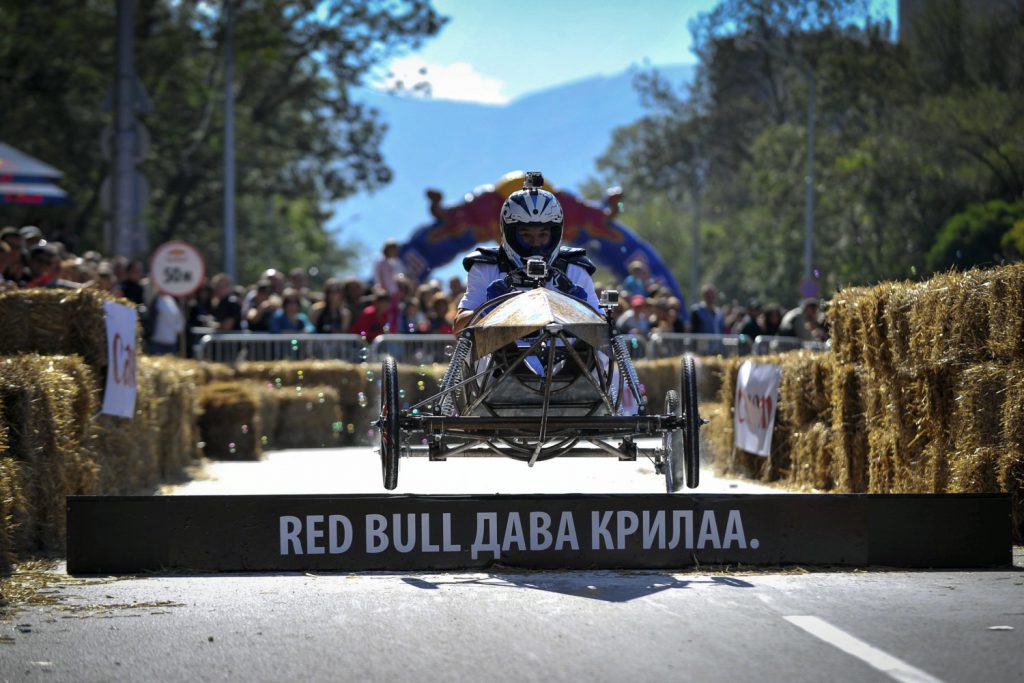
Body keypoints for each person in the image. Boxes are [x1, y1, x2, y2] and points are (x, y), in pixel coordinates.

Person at [454, 171, 599, 333]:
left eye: (543, 235)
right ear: (509, 233)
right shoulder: (486, 266)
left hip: (567, 356)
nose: (536, 243)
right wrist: (487, 309)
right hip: (500, 357)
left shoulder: (574, 267)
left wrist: (584, 311)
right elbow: (459, 328)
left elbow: (604, 331)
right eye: (526, 235)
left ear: (556, 233)